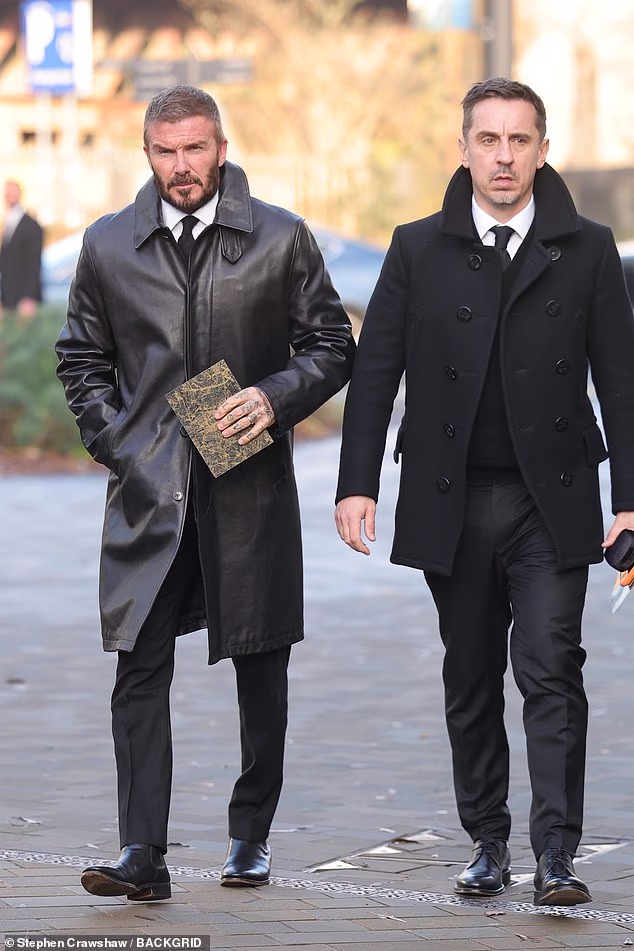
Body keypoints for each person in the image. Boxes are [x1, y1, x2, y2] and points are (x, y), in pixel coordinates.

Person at [335, 78, 634, 907]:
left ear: (544, 148)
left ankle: (556, 854)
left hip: (554, 501)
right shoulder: (415, 247)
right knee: (469, 676)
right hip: (451, 499)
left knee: (551, 666)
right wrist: (356, 482)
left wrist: (631, 496)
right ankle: (488, 842)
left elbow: (621, 380)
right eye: (488, 140)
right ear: (462, 146)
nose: (504, 157)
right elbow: (374, 375)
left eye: (520, 141)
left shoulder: (590, 249)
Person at [56, 84, 354, 902]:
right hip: (153, 492)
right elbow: (80, 362)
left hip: (245, 484)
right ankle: (140, 852)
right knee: (138, 669)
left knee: (261, 670)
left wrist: (274, 395)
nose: (181, 167)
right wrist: (124, 449)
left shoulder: (280, 237)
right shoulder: (109, 243)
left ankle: (250, 832)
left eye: (195, 149)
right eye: (165, 151)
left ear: (220, 148)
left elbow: (332, 344)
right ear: (146, 154)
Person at [0, 180, 43, 316]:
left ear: (19, 194)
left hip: (23, 300)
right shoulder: (6, 223)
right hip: (7, 298)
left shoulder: (32, 226)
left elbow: (34, 264)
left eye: (13, 192)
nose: (9, 196)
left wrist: (28, 297)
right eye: (7, 193)